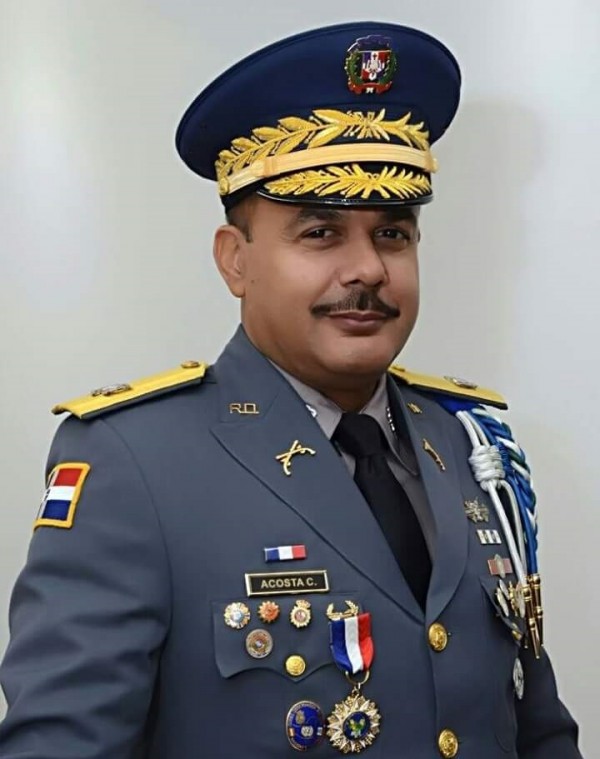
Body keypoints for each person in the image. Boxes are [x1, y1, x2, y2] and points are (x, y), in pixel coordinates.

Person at [0, 20, 583, 759]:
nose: (368, 269)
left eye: (393, 234)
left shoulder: (470, 445)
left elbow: (538, 729)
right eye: (320, 234)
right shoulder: (135, 462)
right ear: (234, 261)